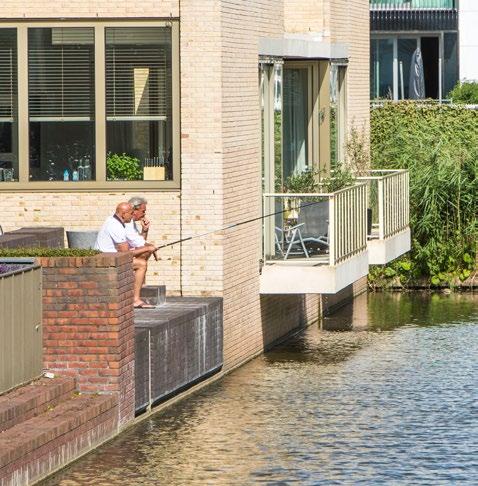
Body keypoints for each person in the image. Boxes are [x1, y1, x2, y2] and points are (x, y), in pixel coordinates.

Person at [95, 202, 156, 308]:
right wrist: (148, 248)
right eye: (131, 213)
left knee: (142, 254)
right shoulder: (116, 226)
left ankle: (131, 291)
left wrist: (145, 236)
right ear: (123, 214)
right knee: (141, 264)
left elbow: (134, 244)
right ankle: (135, 300)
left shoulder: (113, 220)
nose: (133, 216)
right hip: (106, 260)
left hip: (110, 256)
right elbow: (125, 254)